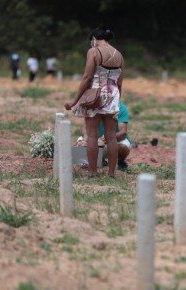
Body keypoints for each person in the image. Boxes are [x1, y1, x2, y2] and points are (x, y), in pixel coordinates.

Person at [64, 26, 124, 177]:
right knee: (111, 135)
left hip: (95, 94)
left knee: (92, 135)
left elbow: (87, 77)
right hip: (113, 94)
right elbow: (120, 82)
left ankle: (92, 172)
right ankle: (111, 173)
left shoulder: (94, 51)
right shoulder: (119, 55)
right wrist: (117, 101)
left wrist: (75, 100)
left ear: (94, 39)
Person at [97, 101, 131, 170]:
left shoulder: (121, 107)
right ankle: (101, 163)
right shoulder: (93, 106)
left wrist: (107, 138)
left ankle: (119, 161)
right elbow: (85, 128)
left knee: (123, 147)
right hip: (95, 140)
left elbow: (123, 132)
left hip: (113, 140)